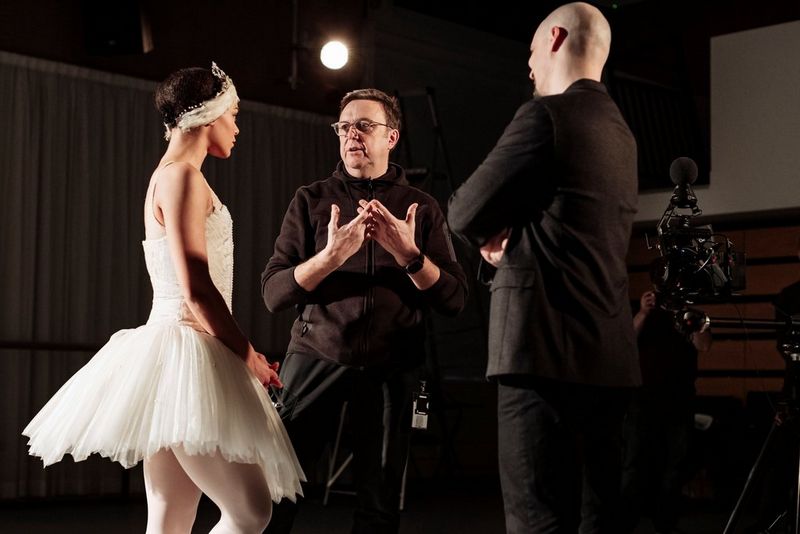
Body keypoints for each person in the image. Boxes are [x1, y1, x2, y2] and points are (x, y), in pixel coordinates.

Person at [23, 63, 303, 533]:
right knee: (251, 512)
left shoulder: (169, 176)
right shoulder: (182, 178)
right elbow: (195, 287)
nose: (237, 127)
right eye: (234, 114)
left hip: (171, 360)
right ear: (210, 116)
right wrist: (248, 355)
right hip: (185, 352)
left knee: (171, 519)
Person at [447, 3, 640, 533]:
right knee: (599, 519)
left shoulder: (546, 115)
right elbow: (571, 227)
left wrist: (498, 237)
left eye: (530, 51)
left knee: (537, 520)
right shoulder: (622, 133)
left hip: (540, 354)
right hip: (608, 357)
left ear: (555, 38)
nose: (529, 66)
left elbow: (463, 210)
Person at [261, 88, 467, 533]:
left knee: (380, 504)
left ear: (391, 137)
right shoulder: (311, 200)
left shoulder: (422, 209)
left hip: (393, 368)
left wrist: (409, 256)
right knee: (276, 493)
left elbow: (453, 300)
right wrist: (330, 257)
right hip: (317, 355)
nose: (352, 134)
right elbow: (275, 293)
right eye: (344, 126)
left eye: (364, 126)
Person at [622, 289, 711, 534]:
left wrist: (692, 321)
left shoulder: (691, 312)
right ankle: (625, 521)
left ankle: (666, 522)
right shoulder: (640, 308)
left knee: (675, 465)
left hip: (680, 398)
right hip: (643, 397)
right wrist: (642, 312)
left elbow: (704, 346)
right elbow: (626, 340)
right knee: (634, 462)